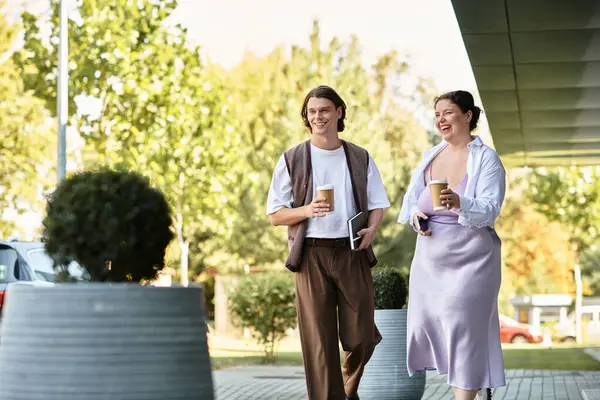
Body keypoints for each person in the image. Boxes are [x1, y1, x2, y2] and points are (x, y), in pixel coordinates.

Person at [266, 85, 390, 400]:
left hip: (352, 251)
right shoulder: (292, 158)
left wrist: (372, 230)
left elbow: (378, 203)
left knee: (362, 336)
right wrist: (307, 210)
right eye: (312, 112)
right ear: (306, 118)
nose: (318, 116)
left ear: (339, 112)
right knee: (319, 344)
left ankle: (347, 388)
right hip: (310, 255)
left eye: (324, 110)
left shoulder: (360, 156)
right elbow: (275, 215)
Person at [398, 90, 507, 400]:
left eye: (447, 112)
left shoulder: (486, 158)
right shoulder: (429, 156)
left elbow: (489, 209)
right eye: (437, 115)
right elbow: (410, 202)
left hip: (473, 259)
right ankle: (467, 381)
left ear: (467, 115)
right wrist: (416, 218)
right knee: (424, 325)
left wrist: (460, 202)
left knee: (464, 328)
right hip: (430, 261)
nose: (440, 120)